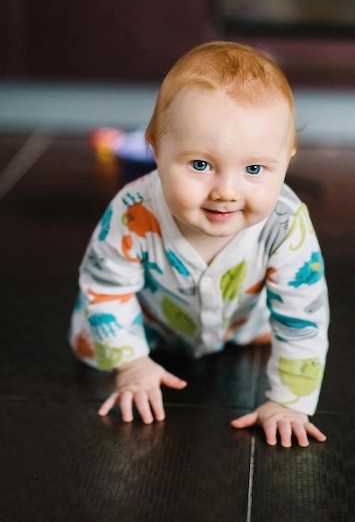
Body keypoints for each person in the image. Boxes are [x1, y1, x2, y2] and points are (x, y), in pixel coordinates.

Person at [70, 41, 329, 447]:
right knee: (91, 338)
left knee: (288, 320)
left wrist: (289, 402)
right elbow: (106, 287)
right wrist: (132, 363)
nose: (226, 191)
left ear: (289, 157)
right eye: (200, 165)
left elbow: (304, 315)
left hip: (244, 322)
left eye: (255, 168)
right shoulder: (131, 211)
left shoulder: (286, 223)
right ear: (155, 149)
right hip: (150, 321)